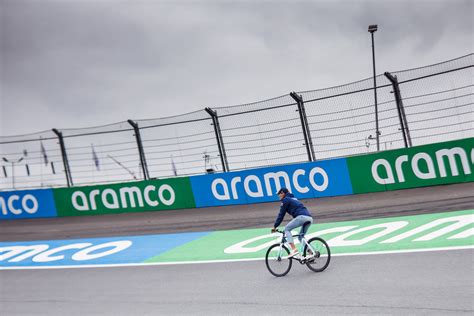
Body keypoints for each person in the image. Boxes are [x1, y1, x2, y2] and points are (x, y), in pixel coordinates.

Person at [271, 187, 313, 259]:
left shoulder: (285, 200)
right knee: (300, 237)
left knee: (287, 229)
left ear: (283, 193)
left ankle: (294, 249)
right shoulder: (293, 198)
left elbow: (281, 215)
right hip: (309, 218)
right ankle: (311, 252)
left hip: (301, 217)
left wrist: (275, 226)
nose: (278, 196)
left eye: (279, 194)